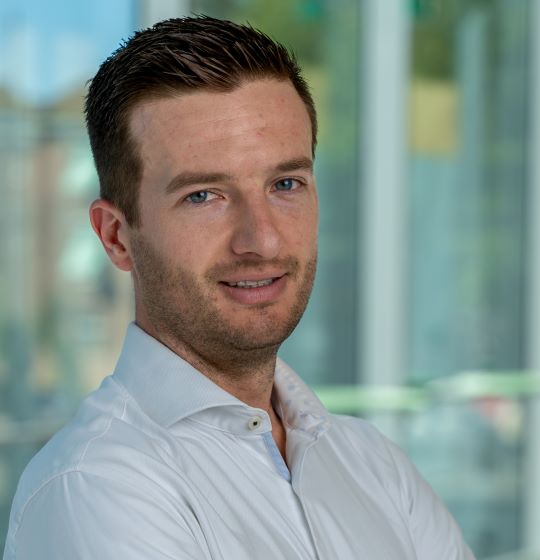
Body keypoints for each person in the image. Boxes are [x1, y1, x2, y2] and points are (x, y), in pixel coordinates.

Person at [4, 16, 475, 560]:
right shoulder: (95, 487)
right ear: (116, 236)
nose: (262, 239)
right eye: (204, 196)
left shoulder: (373, 464)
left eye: (285, 184)